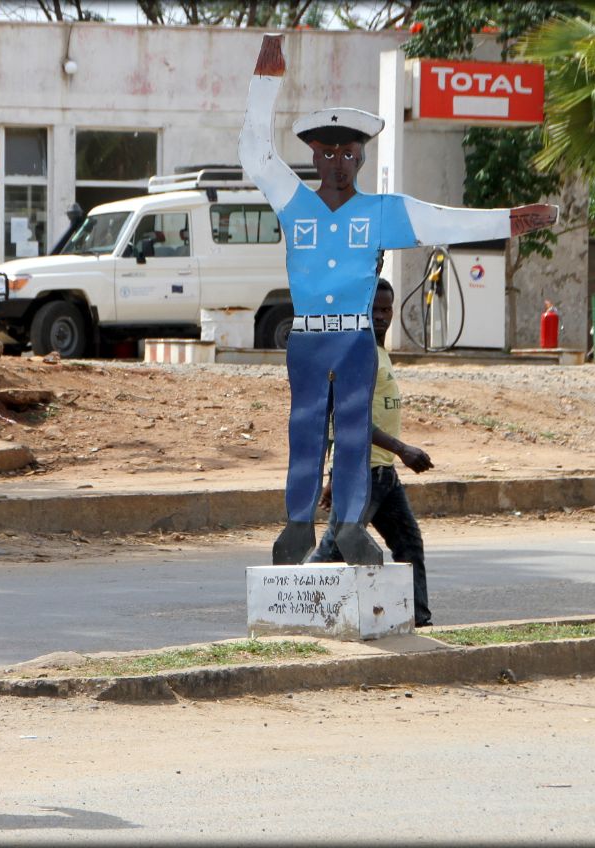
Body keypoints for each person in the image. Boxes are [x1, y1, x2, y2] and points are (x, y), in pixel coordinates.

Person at [238, 34, 558, 565]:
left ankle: (348, 527)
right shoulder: (293, 201)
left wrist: (509, 221)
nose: (338, 162)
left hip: (355, 340)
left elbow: (445, 220)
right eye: (327, 152)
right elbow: (254, 150)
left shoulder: (382, 211)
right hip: (309, 339)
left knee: (357, 432)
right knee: (307, 428)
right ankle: (296, 526)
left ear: (362, 156)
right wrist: (265, 81)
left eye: (349, 152)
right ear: (313, 155)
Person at [308, 278, 433, 627]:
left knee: (409, 545)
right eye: (374, 309)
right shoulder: (358, 355)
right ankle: (292, 608)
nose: (380, 316)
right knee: (333, 552)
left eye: (386, 309)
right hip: (361, 474)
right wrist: (403, 449)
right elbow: (351, 420)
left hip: (382, 474)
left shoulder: (379, 352)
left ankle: (420, 619)